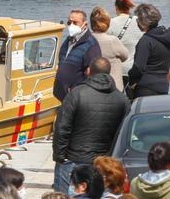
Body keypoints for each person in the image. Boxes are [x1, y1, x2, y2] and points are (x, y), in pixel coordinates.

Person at [52, 57, 130, 193]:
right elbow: (125, 131)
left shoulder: (76, 94)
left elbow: (62, 126)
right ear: (109, 73)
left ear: (89, 71)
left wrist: (59, 155)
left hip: (73, 158)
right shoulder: (121, 98)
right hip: (103, 161)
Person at [126, 3, 170, 99]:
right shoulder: (168, 38)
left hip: (145, 87)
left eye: (138, 19)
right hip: (163, 85)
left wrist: (130, 78)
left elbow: (138, 67)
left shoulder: (146, 40)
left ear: (143, 22)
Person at [54, 9, 100, 102]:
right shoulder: (68, 41)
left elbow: (93, 74)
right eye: (69, 22)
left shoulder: (91, 44)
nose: (71, 25)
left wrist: (78, 91)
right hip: (63, 97)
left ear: (85, 24)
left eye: (75, 23)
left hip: (78, 98)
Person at [90, 6, 131, 91]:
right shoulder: (113, 40)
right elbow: (125, 56)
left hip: (92, 86)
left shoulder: (87, 40)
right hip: (114, 87)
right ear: (107, 23)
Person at [110, 0, 143, 73]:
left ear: (116, 7)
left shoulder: (111, 23)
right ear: (129, 7)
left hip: (117, 69)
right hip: (134, 69)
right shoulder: (140, 22)